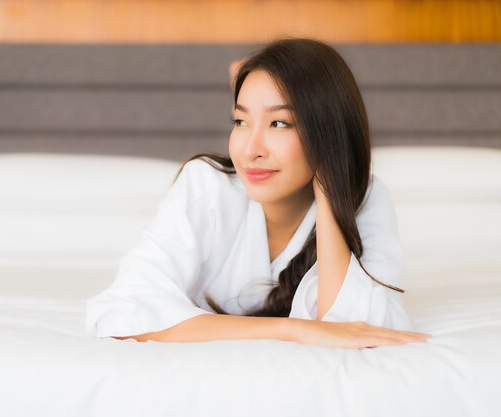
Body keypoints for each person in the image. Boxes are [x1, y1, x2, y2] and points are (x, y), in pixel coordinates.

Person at [86, 37, 431, 349]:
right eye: (240, 121)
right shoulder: (207, 185)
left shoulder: (367, 197)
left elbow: (359, 327)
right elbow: (121, 311)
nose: (251, 150)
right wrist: (293, 329)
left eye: (279, 123)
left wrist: (329, 186)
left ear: (327, 133)